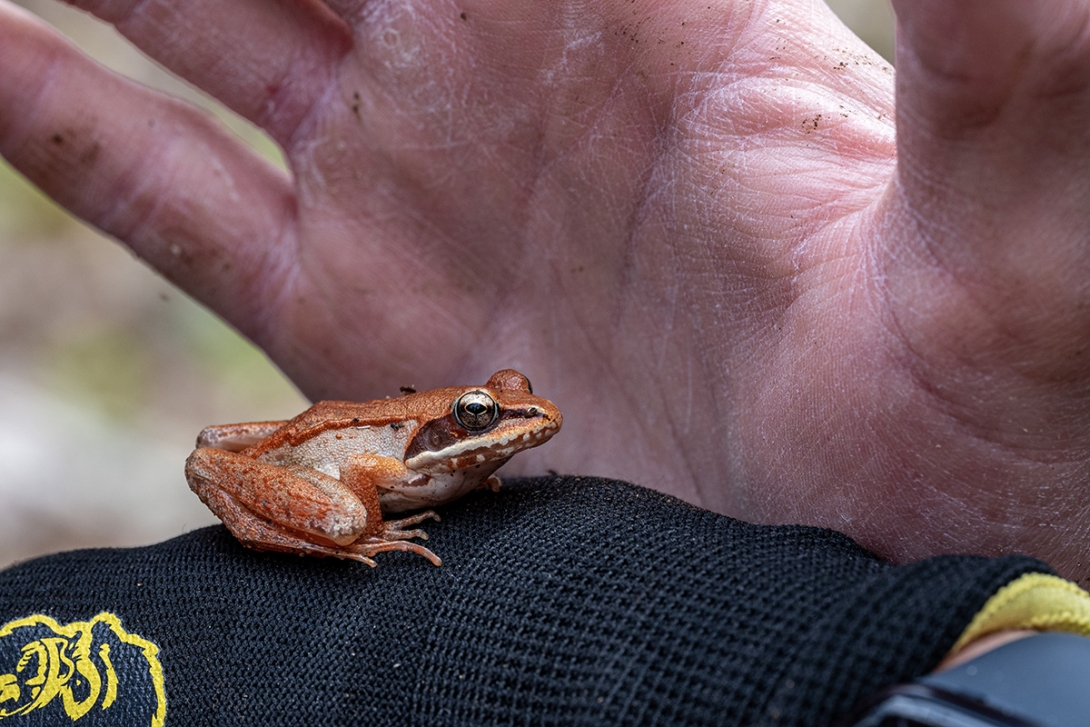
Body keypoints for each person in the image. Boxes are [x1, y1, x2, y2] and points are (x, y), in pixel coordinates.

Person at [2, 1, 1090, 724]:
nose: (508, 426)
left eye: (495, 413)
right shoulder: (415, 458)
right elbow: (372, 472)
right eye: (484, 417)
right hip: (325, 464)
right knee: (344, 515)